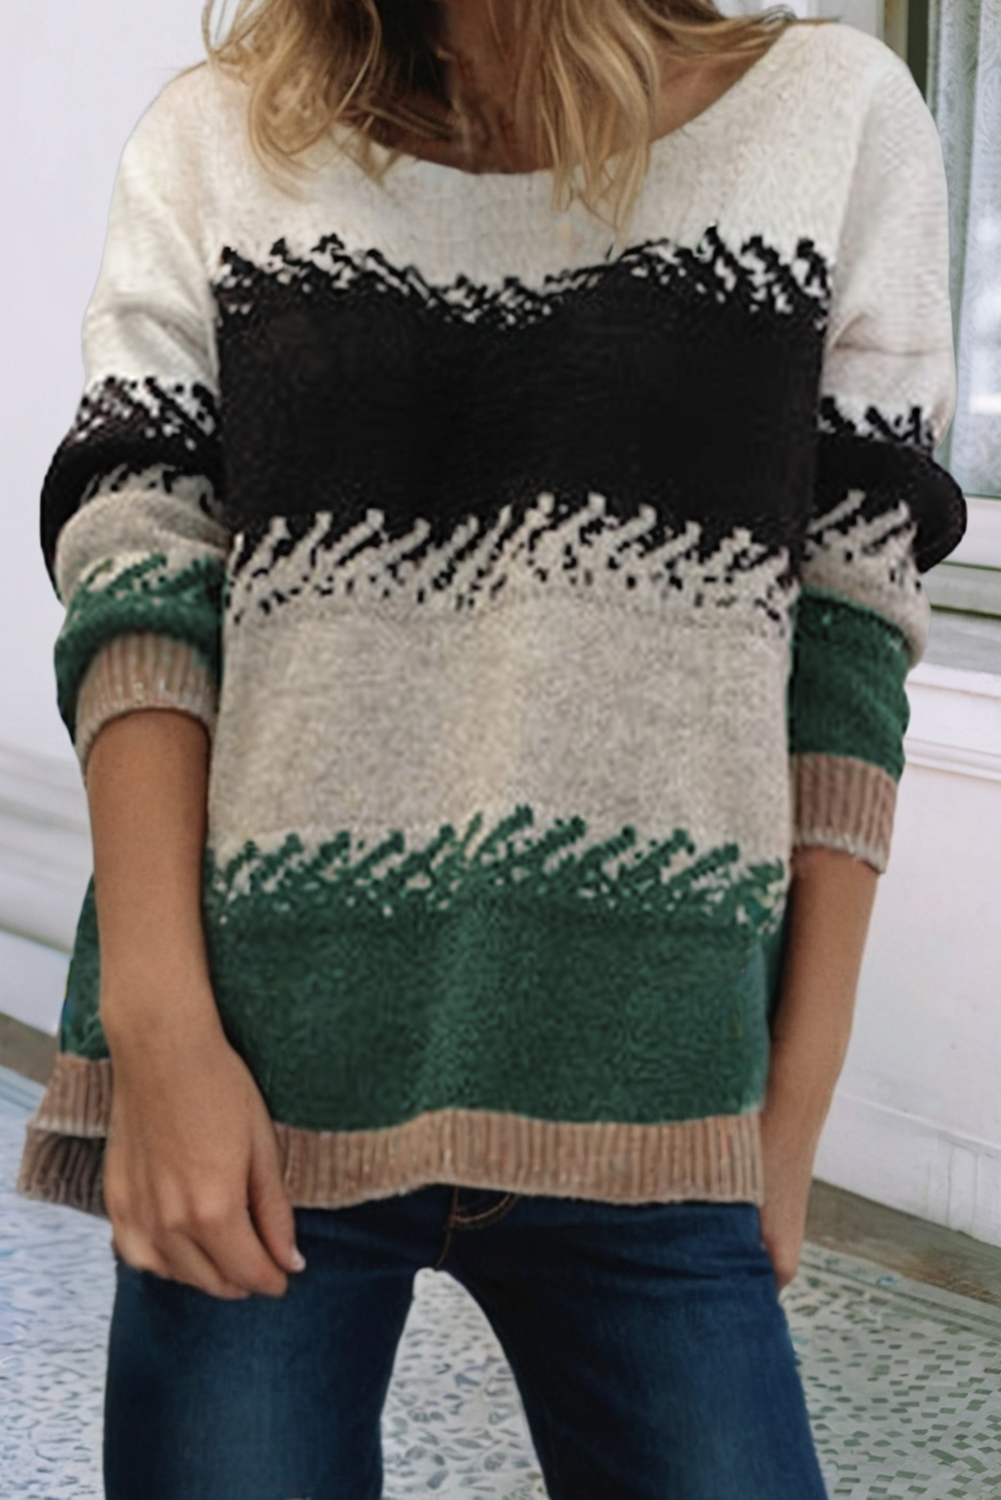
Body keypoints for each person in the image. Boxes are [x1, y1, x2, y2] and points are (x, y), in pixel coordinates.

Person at [18, 0, 967, 1495]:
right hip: (258, 1080)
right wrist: (158, 1028)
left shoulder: (830, 118)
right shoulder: (221, 139)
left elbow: (850, 630)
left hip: (660, 1088)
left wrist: (792, 1107)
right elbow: (138, 564)